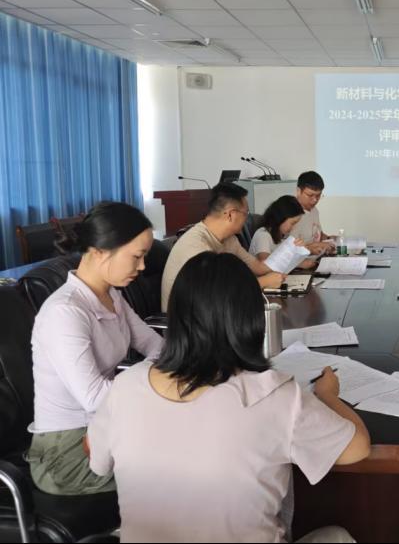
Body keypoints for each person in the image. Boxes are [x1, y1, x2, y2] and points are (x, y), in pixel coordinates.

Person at [87, 252, 371, 542]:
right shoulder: (277, 396)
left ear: (177, 315)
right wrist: (328, 395)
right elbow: (358, 448)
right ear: (251, 317)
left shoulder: (125, 386)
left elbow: (97, 459)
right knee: (338, 536)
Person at [26, 202, 164, 495]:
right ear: (101, 252)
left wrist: (150, 376)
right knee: (177, 466)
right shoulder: (65, 312)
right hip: (66, 452)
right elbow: (94, 398)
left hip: (106, 426)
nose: (142, 266)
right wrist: (154, 378)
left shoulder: (112, 296)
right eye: (136, 256)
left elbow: (156, 346)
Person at [160, 182, 284, 311]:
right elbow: (220, 293)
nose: (246, 219)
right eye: (245, 213)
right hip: (188, 318)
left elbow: (257, 267)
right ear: (231, 214)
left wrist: (291, 251)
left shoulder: (229, 239)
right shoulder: (196, 245)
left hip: (214, 311)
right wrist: (263, 282)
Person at [249, 195, 315, 270]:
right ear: (280, 218)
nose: (294, 227)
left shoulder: (281, 235)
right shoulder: (263, 235)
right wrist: (298, 264)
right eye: (292, 223)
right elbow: (265, 264)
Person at [289, 171, 335, 255]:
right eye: (310, 195)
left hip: (315, 257)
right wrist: (314, 246)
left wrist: (330, 238)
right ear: (298, 191)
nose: (315, 200)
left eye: (318, 195)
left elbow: (317, 234)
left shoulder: (314, 210)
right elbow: (289, 249)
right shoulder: (290, 214)